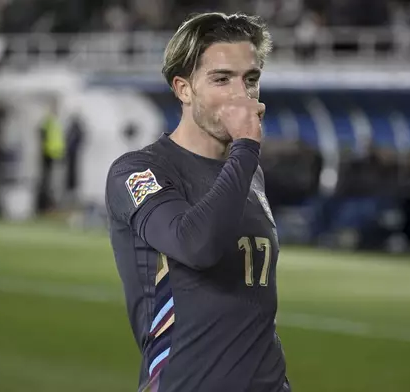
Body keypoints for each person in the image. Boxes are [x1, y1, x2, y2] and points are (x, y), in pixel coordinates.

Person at [105, 12, 290, 392]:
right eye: (221, 79)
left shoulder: (249, 174)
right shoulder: (140, 171)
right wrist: (245, 150)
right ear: (184, 88)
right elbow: (195, 244)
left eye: (250, 80)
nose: (241, 95)